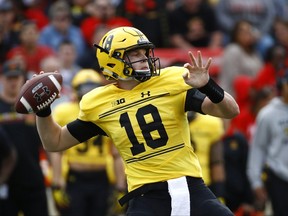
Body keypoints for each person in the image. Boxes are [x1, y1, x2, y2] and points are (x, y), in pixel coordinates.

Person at [33, 26, 239, 216]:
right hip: (145, 196)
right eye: (135, 54)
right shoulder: (98, 103)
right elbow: (55, 142)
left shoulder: (172, 80)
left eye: (145, 53)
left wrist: (208, 85)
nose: (145, 58)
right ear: (113, 60)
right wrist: (43, 111)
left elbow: (230, 111)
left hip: (190, 186)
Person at [50, 69, 127, 216]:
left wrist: (121, 187)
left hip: (101, 177)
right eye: (84, 88)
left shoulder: (108, 112)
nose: (88, 93)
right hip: (75, 176)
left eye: (92, 88)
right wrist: (57, 182)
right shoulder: (64, 112)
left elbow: (117, 153)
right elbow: (57, 152)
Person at [0, 60, 48, 216]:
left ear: (22, 79)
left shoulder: (33, 105)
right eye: (9, 78)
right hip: (5, 181)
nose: (13, 82)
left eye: (16, 78)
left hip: (32, 178)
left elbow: (47, 137)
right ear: (2, 79)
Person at [247, 70, 288, 215]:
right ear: (282, 86)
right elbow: (258, 148)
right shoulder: (268, 114)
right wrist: (256, 181)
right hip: (279, 177)